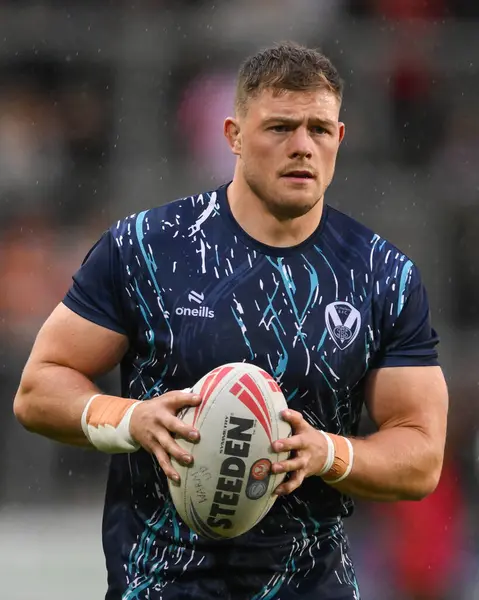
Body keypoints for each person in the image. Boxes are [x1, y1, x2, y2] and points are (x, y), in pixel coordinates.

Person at [13, 42, 448, 600]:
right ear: (233, 136)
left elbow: (421, 456)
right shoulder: (147, 247)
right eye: (279, 127)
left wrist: (328, 453)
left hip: (310, 587)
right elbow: (37, 389)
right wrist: (131, 421)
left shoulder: (383, 275)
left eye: (319, 129)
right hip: (160, 585)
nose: (301, 147)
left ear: (340, 138)